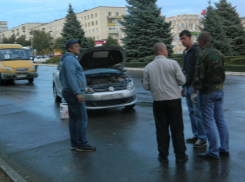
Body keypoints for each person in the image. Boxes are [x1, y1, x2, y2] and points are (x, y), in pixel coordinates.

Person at [143, 42, 188, 163]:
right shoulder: (173, 63)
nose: (167, 51)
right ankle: (180, 156)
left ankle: (163, 156)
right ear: (163, 50)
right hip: (174, 100)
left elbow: (146, 86)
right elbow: (182, 80)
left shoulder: (148, 67)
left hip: (158, 102)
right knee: (177, 128)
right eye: (166, 49)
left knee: (161, 129)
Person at [192, 32, 229, 159]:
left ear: (201, 41)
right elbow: (223, 73)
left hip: (207, 93)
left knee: (208, 122)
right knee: (221, 120)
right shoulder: (219, 53)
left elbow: (199, 76)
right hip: (219, 90)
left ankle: (213, 152)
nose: (197, 43)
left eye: (198, 41)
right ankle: (224, 148)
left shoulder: (202, 54)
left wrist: (195, 92)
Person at [59, 39, 96, 152]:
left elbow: (62, 77)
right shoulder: (70, 59)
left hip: (69, 92)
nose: (79, 48)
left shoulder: (66, 59)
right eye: (76, 46)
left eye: (78, 46)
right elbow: (71, 77)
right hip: (73, 93)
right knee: (81, 118)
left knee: (74, 119)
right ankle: (81, 144)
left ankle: (75, 143)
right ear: (70, 49)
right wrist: (77, 93)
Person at [179, 30, 207, 148]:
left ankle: (202, 138)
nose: (182, 41)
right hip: (187, 86)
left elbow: (199, 70)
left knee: (198, 112)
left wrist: (195, 86)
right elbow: (184, 70)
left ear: (190, 38)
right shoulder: (185, 53)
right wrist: (183, 87)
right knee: (191, 112)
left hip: (195, 88)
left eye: (184, 38)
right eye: (181, 39)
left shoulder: (196, 51)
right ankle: (196, 134)